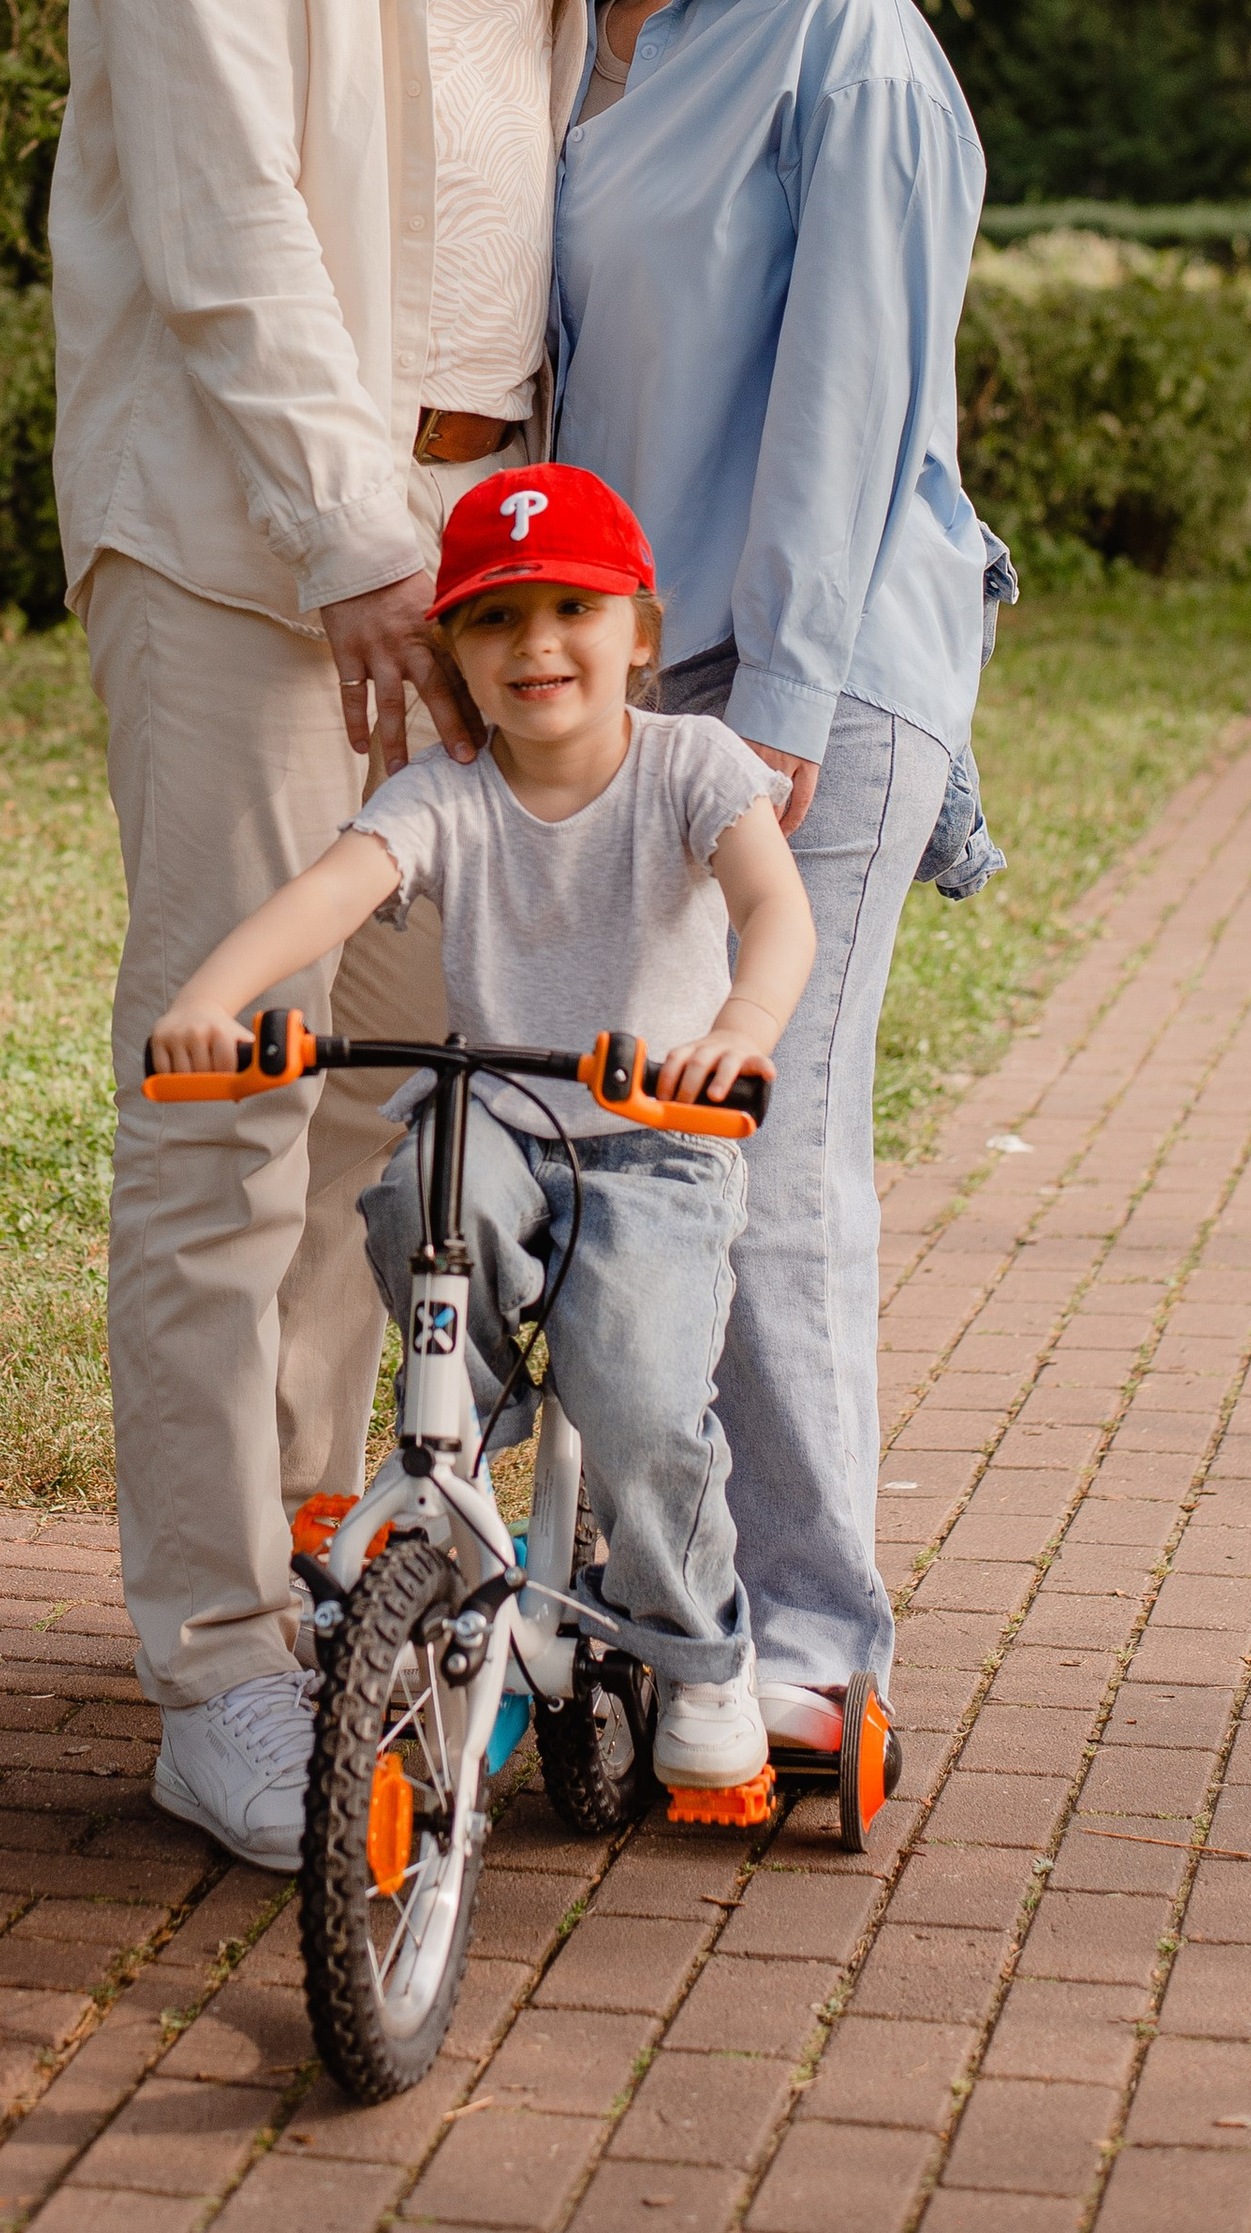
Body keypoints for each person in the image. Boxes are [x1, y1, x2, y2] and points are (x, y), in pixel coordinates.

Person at [49, 0, 589, 1872]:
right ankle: (206, 1680)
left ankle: (315, 1573)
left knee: (395, 1108)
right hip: (266, 556)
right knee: (225, 1093)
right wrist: (364, 538)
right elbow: (228, 209)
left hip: (471, 577)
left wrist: (492, 569)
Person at [535, 0, 991, 1765]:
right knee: (621, 1151)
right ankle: (645, 1602)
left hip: (808, 684)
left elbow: (845, 405)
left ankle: (815, 1639)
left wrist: (778, 715)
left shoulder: (841, 38)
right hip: (632, 678)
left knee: (767, 1149)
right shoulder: (591, 17)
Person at [147, 462, 814, 1785]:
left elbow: (778, 912)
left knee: (636, 1395)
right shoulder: (445, 790)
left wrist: (740, 1030)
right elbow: (331, 893)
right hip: (499, 1120)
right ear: (452, 648)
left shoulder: (690, 763)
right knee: (407, 1198)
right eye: (498, 619)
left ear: (640, 632)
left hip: (654, 1142)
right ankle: (467, 1447)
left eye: (573, 608)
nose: (539, 645)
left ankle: (699, 1651)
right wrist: (212, 999)